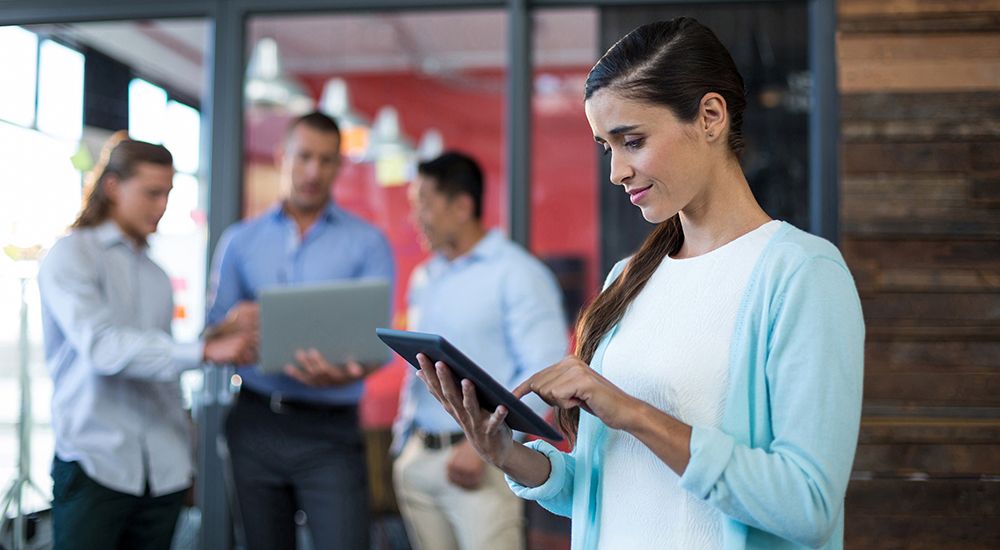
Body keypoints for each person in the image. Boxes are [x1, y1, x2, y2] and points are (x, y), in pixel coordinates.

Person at [413, 18, 865, 550]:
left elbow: (807, 504)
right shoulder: (628, 278)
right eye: (607, 147)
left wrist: (631, 412)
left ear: (710, 116)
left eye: (632, 140)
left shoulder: (801, 274)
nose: (616, 171)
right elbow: (600, 484)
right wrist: (508, 455)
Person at [38, 133, 257, 550]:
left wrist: (214, 337)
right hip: (95, 464)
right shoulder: (71, 255)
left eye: (169, 193)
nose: (162, 206)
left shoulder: (156, 274)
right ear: (112, 187)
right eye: (152, 193)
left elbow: (153, 355)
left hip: (163, 468)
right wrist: (204, 350)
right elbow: (103, 348)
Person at [206, 111, 395, 550]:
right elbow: (213, 337)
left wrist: (343, 374)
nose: (314, 171)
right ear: (282, 156)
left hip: (331, 430)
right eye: (305, 156)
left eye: (327, 160)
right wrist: (234, 327)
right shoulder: (240, 241)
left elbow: (377, 343)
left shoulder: (367, 242)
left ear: (338, 167)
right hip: (254, 422)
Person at [392, 151, 568, 550]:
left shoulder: (516, 273)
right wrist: (404, 444)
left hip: (481, 463)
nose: (416, 216)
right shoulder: (425, 276)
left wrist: (488, 444)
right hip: (420, 459)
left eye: (425, 203)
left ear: (462, 206)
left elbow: (544, 369)